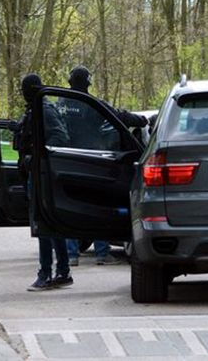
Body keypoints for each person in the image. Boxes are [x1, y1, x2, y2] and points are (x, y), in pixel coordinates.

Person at [61, 65, 147, 265]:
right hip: (91, 161)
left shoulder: (61, 104)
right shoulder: (91, 104)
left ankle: (71, 255)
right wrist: (142, 120)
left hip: (66, 160)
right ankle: (102, 253)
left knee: (70, 209)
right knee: (96, 207)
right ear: (88, 82)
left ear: (70, 81)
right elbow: (118, 116)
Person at [13, 73, 73, 291]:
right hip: (35, 173)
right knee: (49, 225)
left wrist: (37, 156)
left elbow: (60, 137)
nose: (23, 93)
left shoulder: (44, 110)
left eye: (25, 89)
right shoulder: (35, 110)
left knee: (44, 225)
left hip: (41, 174)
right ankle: (62, 271)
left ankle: (46, 273)